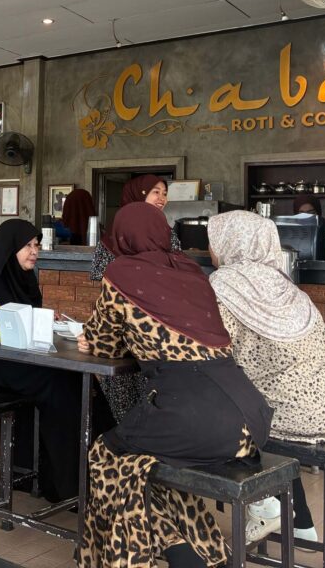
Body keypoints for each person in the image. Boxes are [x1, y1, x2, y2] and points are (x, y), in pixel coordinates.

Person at [78, 202, 273, 568]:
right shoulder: (193, 271)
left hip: (194, 417)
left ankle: (168, 556)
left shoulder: (121, 273)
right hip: (252, 415)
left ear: (121, 237)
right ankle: (199, 553)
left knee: (107, 457)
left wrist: (93, 337)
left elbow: (105, 345)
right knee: (147, 465)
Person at [207, 210, 325, 543]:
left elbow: (215, 349)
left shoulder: (224, 284)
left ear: (231, 242)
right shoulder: (283, 283)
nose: (210, 249)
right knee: (260, 403)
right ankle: (300, 521)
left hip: (294, 415)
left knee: (222, 415)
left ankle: (264, 507)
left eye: (213, 240)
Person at [0, 219, 113, 503]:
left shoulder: (24, 280)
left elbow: (22, 321)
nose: (34, 251)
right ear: (9, 248)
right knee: (57, 383)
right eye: (27, 246)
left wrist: (43, 319)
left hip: (15, 357)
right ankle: (68, 487)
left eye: (36, 245)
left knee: (76, 378)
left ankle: (93, 478)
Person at [89, 174, 180, 422]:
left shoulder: (167, 234)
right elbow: (103, 281)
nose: (162, 198)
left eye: (164, 193)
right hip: (118, 328)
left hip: (156, 331)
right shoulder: (113, 236)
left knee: (153, 403)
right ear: (138, 195)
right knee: (121, 401)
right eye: (155, 192)